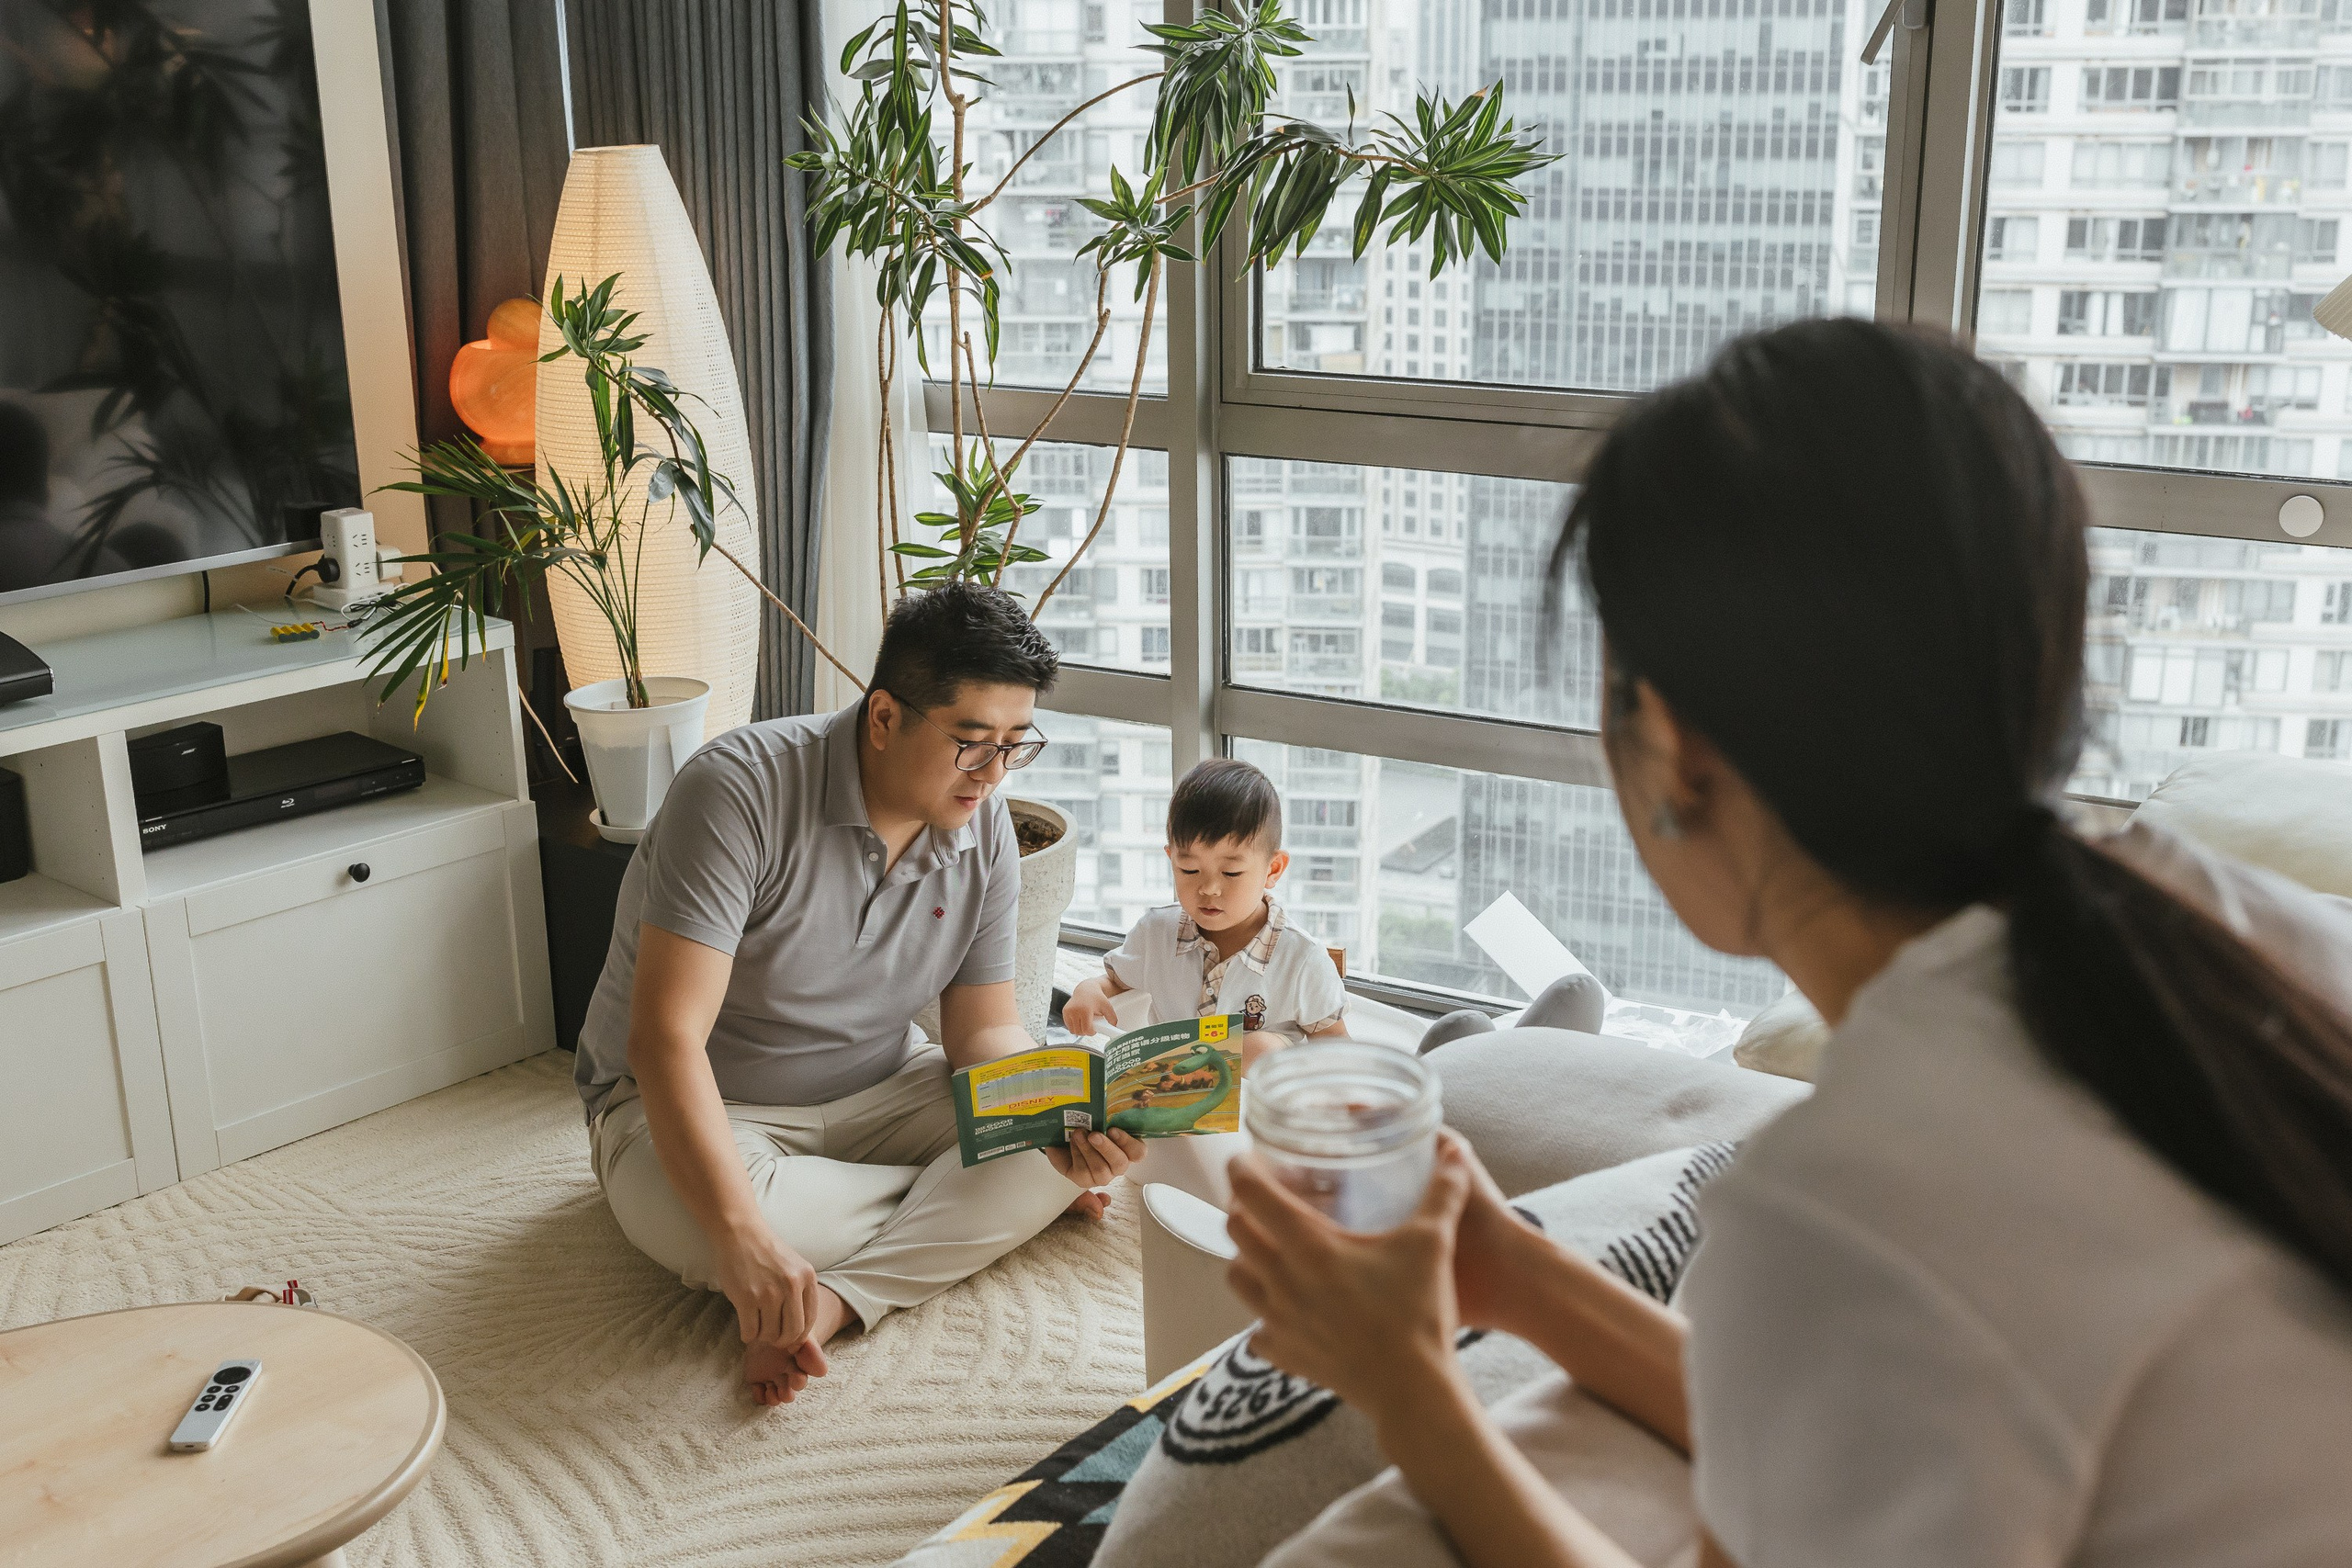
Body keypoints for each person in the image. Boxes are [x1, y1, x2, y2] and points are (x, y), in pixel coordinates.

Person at [1224, 319, 2352, 1566]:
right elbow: (1887, 1399)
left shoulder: (1843, 1204)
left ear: (1672, 746)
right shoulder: (2240, 926)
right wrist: (1514, 1279)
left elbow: (1885, 1300)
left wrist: (1411, 1388)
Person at [575, 583, 1143, 1406]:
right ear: (884, 716)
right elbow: (665, 1040)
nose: (993, 774)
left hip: (886, 1085)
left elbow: (983, 1033)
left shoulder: (984, 828)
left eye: (1015, 746)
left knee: (1076, 1096)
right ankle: (957, 1210)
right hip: (694, 1106)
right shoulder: (737, 793)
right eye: (972, 743)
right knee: (726, 1226)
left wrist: (1051, 1120)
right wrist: (741, 1235)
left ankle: (836, 1300)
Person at [1062, 758, 1348, 1204]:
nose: (1208, 889)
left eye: (1231, 873)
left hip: (1251, 1134)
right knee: (1078, 1105)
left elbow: (1339, 1053)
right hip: (1160, 1121)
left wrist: (1276, 1061)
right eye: (1189, 870)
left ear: (1273, 869)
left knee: (1263, 1050)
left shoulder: (1302, 959)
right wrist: (1086, 992)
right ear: (1170, 860)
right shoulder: (1156, 932)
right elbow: (1109, 982)